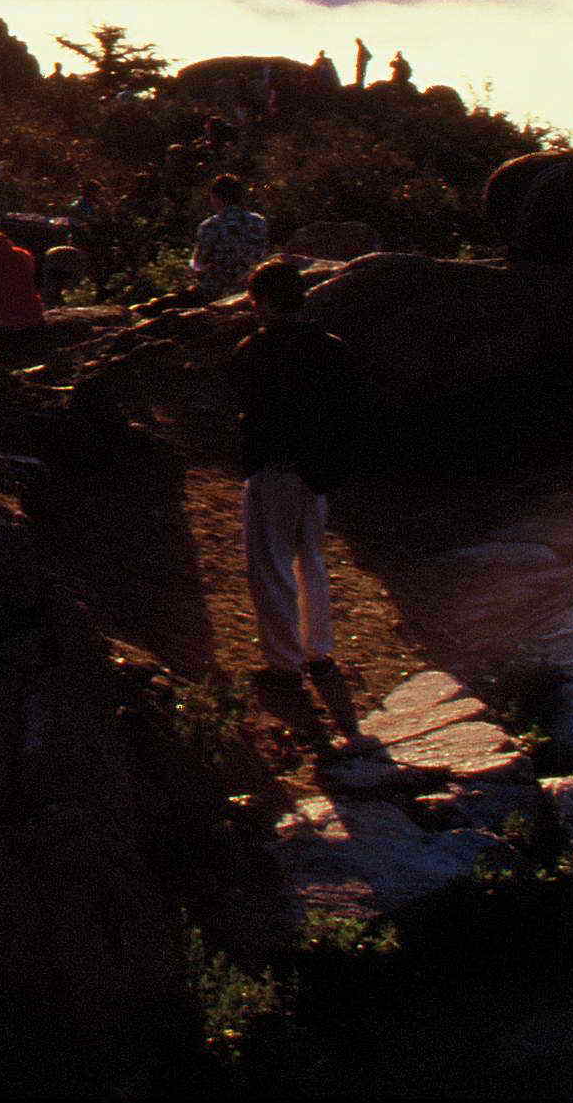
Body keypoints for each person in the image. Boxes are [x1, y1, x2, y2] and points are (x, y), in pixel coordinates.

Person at [228, 261, 365, 733]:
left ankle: (285, 662)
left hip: (275, 466)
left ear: (262, 301)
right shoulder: (330, 348)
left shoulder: (258, 349)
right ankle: (318, 647)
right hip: (318, 469)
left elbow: (247, 406)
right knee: (311, 558)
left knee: (270, 563)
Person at [193, 177, 272, 305]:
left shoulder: (210, 225)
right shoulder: (258, 221)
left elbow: (199, 264)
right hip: (254, 285)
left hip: (218, 290)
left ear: (217, 198)